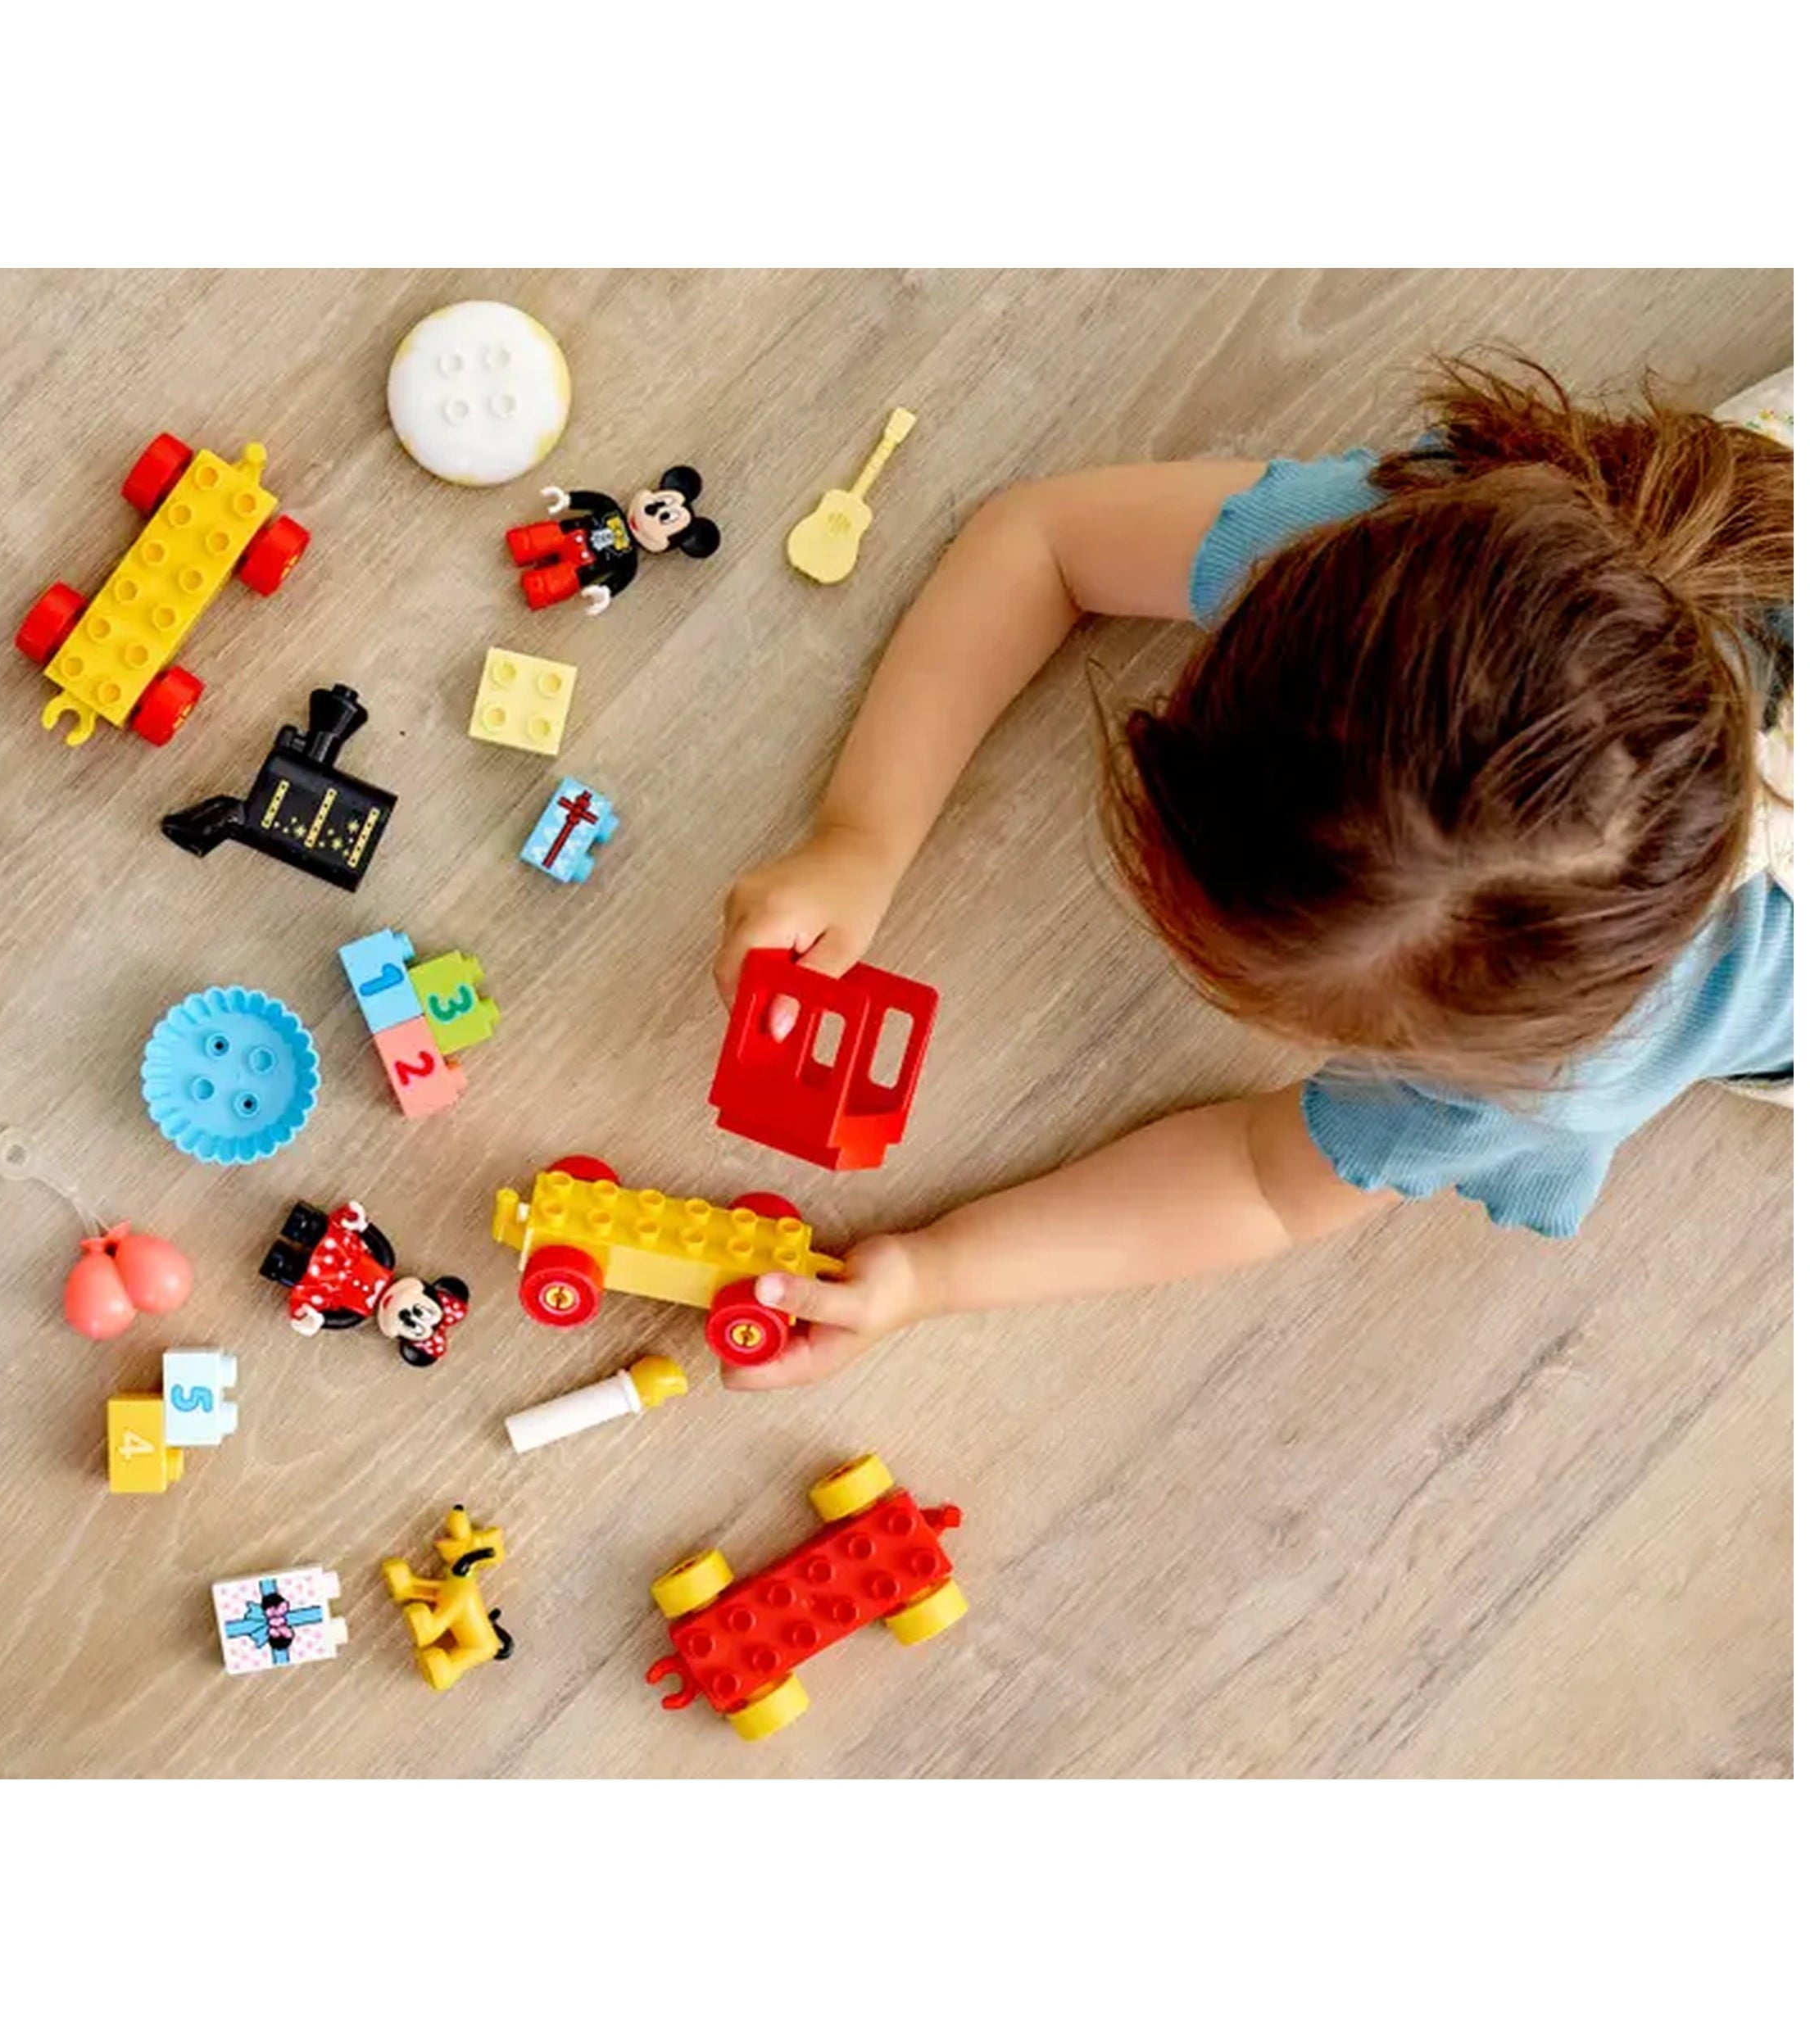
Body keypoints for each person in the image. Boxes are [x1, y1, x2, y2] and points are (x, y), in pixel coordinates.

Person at [713, 356, 1794, 1388]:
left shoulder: (1554, 1071)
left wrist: (939, 1271)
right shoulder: (1399, 589)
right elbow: (1040, 544)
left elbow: (1262, 1180)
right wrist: (860, 838)